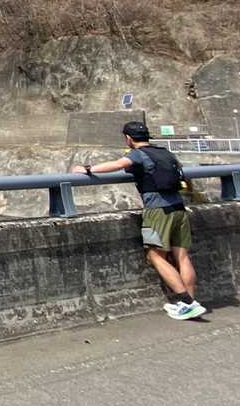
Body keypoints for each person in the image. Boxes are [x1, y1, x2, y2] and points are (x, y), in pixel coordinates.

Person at [72, 121, 206, 320]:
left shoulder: (138, 154)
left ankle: (187, 303)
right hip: (179, 207)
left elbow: (118, 164)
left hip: (158, 211)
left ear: (128, 138)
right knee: (182, 257)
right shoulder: (165, 152)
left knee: (155, 255)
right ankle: (190, 302)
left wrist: (88, 168)